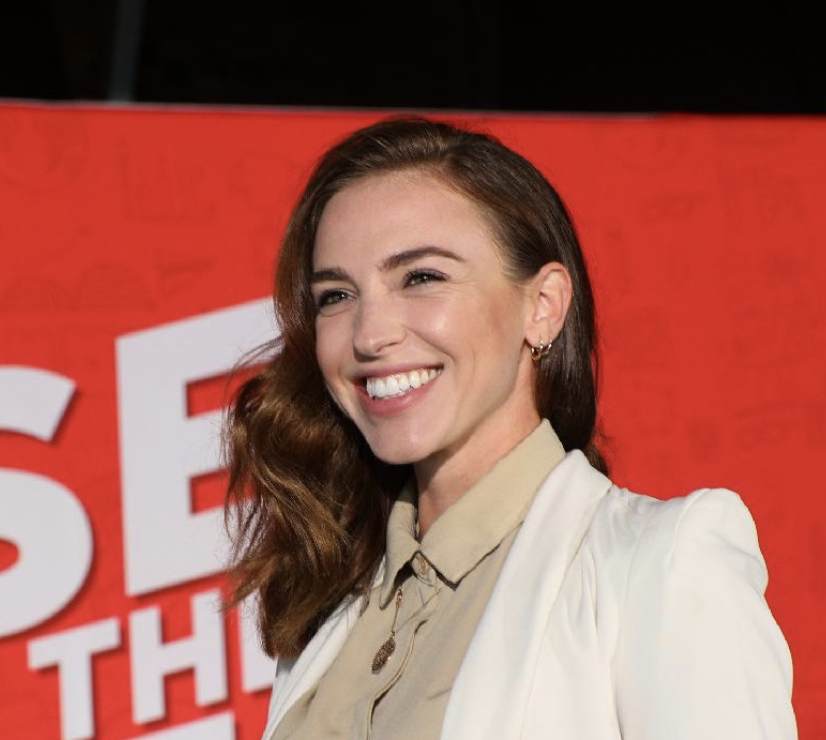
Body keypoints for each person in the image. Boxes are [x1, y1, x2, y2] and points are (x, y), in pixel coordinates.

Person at [224, 117, 796, 739]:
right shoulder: (332, 609)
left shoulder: (656, 565)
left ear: (542, 306)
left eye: (421, 277)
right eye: (336, 295)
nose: (369, 334)